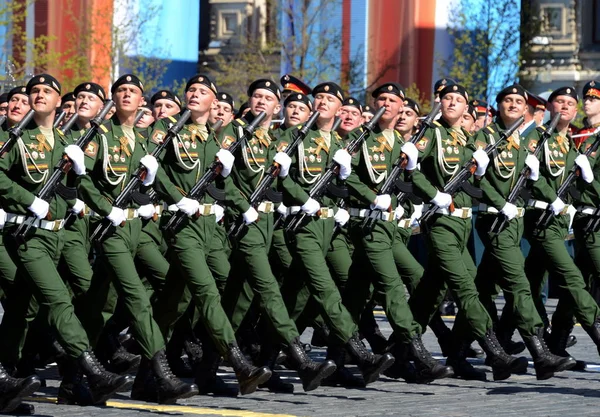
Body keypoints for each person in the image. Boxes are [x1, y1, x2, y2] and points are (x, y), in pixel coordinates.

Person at [0, 74, 132, 406]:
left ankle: (5, 379)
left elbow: (74, 186)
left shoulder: (61, 140)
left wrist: (83, 180)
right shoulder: (18, 138)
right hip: (29, 234)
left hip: (59, 234)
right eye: (34, 91)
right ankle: (91, 368)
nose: (39, 95)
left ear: (60, 101)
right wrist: (29, 200)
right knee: (59, 299)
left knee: (21, 308)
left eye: (47, 91)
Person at [75, 74, 197, 404]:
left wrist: (178, 198)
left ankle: (74, 377)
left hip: (137, 229)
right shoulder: (99, 135)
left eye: (132, 91)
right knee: (137, 300)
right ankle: (161, 373)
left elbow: (156, 181)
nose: (126, 95)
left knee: (104, 305)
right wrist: (104, 208)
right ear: (113, 99)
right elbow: (81, 180)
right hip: (112, 229)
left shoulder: (143, 141)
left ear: (141, 101)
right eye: (121, 91)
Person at [406, 83, 527, 381]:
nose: (451, 103)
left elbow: (474, 185)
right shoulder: (431, 134)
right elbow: (412, 170)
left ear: (466, 109)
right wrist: (432, 194)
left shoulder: (467, 140)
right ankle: (495, 352)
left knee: (430, 294)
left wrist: (482, 171)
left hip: (463, 223)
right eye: (447, 98)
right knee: (466, 288)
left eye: (458, 100)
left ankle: (404, 349)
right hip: (441, 222)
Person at [474, 84, 575, 380]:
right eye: (508, 100)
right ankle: (540, 352)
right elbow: (480, 181)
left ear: (526, 109)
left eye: (519, 101)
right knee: (519, 283)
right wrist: (498, 201)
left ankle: (463, 348)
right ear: (499, 105)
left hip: (516, 223)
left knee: (481, 287)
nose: (514, 104)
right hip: (494, 220)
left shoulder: (524, 141)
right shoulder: (486, 137)